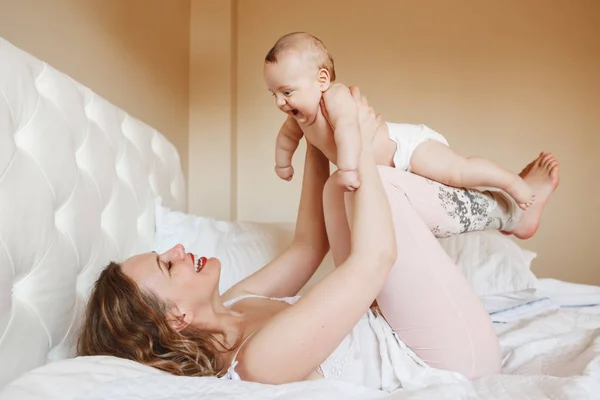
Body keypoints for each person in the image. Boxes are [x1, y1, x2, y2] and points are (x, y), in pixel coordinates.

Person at [77, 87, 560, 391]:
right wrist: (352, 135)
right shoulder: (257, 362)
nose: (178, 251)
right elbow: (375, 259)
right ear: (177, 318)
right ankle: (512, 211)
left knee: (339, 188)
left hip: (402, 326)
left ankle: (511, 210)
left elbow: (310, 245)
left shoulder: (238, 301)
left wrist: (313, 139)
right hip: (449, 360)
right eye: (167, 266)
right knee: (381, 189)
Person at [266, 31, 539, 210]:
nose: (280, 101)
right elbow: (287, 138)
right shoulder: (298, 117)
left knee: (458, 173)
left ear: (322, 80)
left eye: (287, 92)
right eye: (274, 94)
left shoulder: (334, 98)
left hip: (407, 148)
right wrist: (282, 164)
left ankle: (510, 181)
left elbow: (348, 130)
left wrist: (348, 169)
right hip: (390, 171)